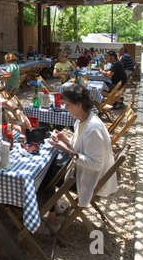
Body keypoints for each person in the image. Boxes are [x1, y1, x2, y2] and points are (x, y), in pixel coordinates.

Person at [40, 84, 117, 228]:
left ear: (79, 105)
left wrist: (67, 150)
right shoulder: (82, 120)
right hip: (80, 169)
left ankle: (51, 217)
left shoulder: (93, 129)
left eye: (68, 105)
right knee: (49, 164)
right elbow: (80, 146)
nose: (65, 108)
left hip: (90, 179)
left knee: (45, 174)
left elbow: (95, 164)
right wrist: (65, 140)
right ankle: (51, 206)